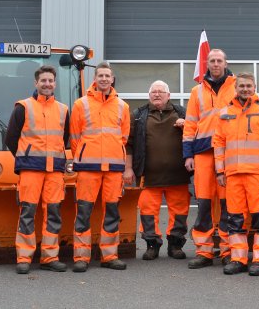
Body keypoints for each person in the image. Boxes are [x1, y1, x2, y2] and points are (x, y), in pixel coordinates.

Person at [213, 72, 259, 276]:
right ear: (236, 88)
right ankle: (238, 259)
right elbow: (218, 144)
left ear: (254, 87)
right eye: (241, 86)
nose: (245, 89)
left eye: (248, 86)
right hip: (233, 175)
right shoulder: (224, 113)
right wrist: (220, 171)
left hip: (257, 175)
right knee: (235, 218)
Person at [5, 65, 70, 274]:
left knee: (53, 213)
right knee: (27, 212)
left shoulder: (63, 109)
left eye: (51, 80)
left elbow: (65, 138)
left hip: (55, 171)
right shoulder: (23, 107)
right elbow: (10, 139)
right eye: (43, 80)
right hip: (30, 170)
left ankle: (49, 257)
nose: (47, 84)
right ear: (36, 83)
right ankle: (24, 258)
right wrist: (26, 157)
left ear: (55, 83)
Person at [69, 62, 130, 272]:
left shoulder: (123, 106)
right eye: (100, 75)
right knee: (84, 211)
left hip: (113, 167)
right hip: (88, 167)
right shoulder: (81, 104)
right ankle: (81, 257)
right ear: (95, 78)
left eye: (107, 76)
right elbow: (75, 137)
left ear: (112, 79)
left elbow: (123, 137)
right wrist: (85, 154)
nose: (104, 79)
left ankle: (109, 255)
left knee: (112, 212)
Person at [125, 80, 191, 260]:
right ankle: (151, 245)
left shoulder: (182, 112)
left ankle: (175, 245)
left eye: (161, 92)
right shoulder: (138, 115)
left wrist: (187, 125)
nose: (157, 94)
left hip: (178, 175)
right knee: (147, 212)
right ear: (149, 95)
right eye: (153, 91)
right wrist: (128, 168)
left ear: (168, 95)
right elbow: (129, 144)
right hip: (149, 176)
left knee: (179, 213)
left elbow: (196, 134)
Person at [183, 49, 237, 269]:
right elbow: (190, 123)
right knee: (204, 204)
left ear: (225, 63)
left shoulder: (237, 86)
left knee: (227, 205)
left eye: (219, 60)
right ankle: (204, 251)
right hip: (203, 153)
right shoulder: (197, 91)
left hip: (229, 154)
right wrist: (188, 154)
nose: (215, 64)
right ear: (207, 64)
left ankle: (226, 251)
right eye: (212, 61)